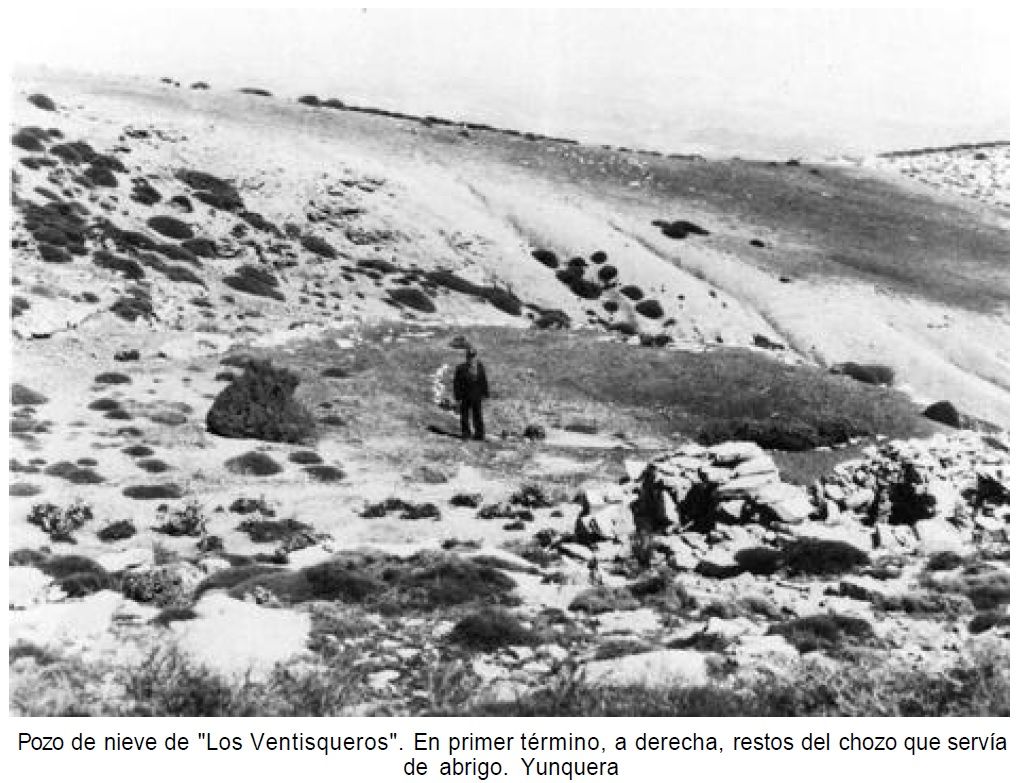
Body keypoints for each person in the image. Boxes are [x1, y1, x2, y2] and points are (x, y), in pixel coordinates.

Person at [453, 346, 489, 440]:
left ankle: (479, 434)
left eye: (473, 356)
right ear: (466, 357)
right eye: (469, 356)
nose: (471, 358)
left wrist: (485, 393)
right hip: (465, 395)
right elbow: (456, 383)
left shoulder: (480, 366)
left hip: (477, 395)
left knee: (478, 415)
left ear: (476, 356)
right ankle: (466, 434)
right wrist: (458, 397)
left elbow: (483, 380)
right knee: (464, 416)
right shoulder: (460, 368)